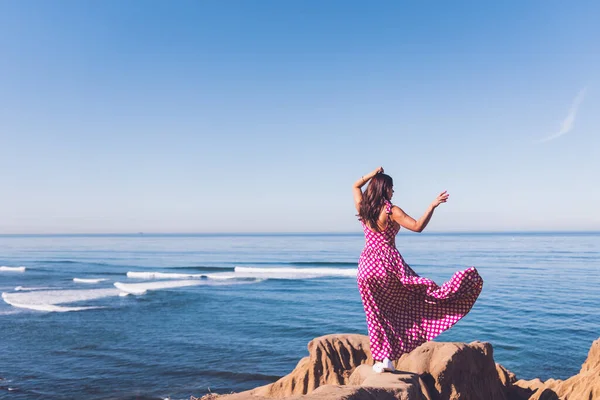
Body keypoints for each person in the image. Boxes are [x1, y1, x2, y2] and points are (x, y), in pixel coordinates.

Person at [353, 167, 483, 373]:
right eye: (391, 188)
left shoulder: (364, 209)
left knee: (375, 315)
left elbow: (355, 185)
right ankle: (387, 357)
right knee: (418, 297)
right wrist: (432, 206)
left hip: (366, 268)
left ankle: (382, 359)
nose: (393, 192)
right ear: (384, 189)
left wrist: (372, 174)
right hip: (388, 266)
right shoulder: (391, 210)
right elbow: (417, 226)